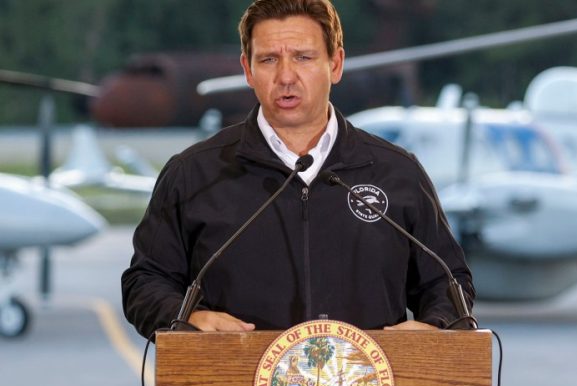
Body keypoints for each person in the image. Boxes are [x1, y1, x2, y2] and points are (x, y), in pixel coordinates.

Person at [121, 0, 474, 338]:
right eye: (269, 59)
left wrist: (436, 328)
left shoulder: (397, 173)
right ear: (248, 69)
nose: (286, 76)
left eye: (303, 57)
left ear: (335, 65)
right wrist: (186, 320)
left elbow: (447, 281)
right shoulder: (194, 174)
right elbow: (146, 282)